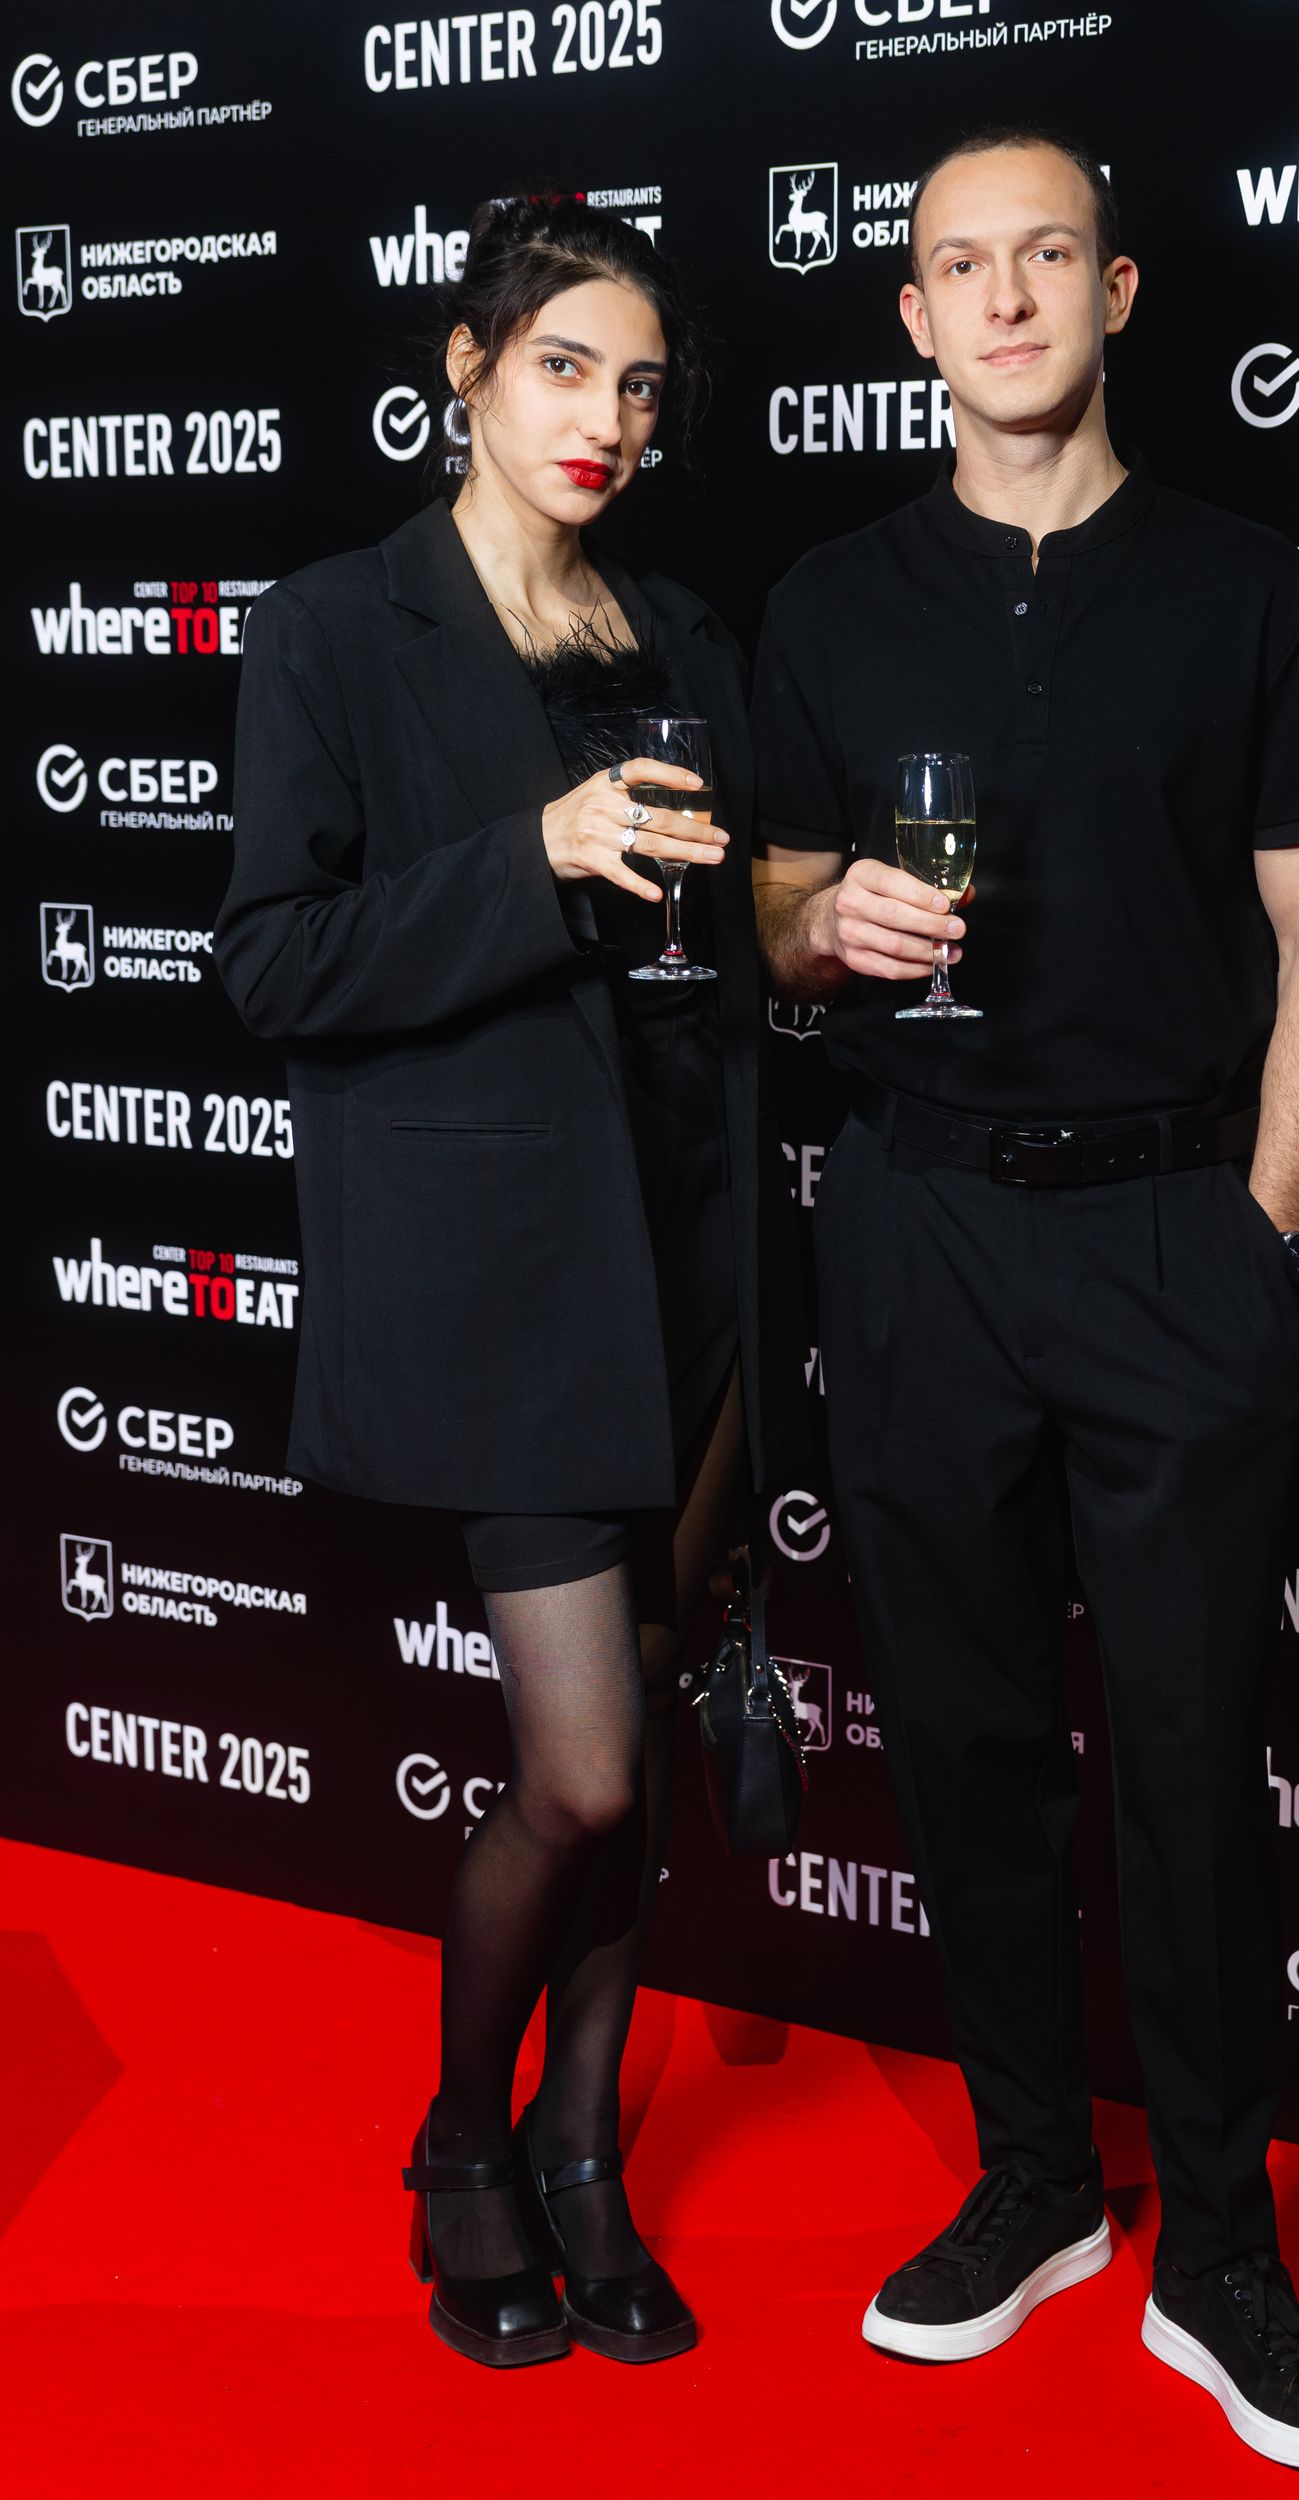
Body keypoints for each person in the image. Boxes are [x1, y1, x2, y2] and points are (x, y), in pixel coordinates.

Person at [751, 127, 1299, 2470]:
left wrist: (1256, 1228)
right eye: (960, 264)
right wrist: (819, 927)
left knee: (1193, 1762)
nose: (1004, 297)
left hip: (1165, 1234)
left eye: (1045, 255)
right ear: (910, 318)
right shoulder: (829, 601)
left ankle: (1218, 2254)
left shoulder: (1243, 587)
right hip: (914, 1221)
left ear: (1114, 291)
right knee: (961, 1738)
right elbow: (772, 907)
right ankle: (1032, 2179)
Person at [218, 194, 789, 2371]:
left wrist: (815, 922)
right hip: (509, 1269)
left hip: (697, 1245)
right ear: (464, 366)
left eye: (637, 384)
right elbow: (275, 962)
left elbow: (731, 925)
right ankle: (467, 2141)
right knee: (585, 1769)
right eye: (562, 367)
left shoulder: (682, 630)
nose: (603, 420)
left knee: (643, 1715)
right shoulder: (333, 626)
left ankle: (583, 2152)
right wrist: (529, 857)